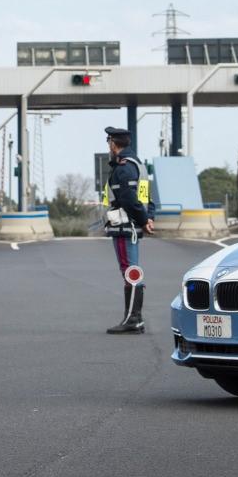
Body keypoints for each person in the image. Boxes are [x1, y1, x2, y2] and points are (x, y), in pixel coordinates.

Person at [102, 125, 155, 334]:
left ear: (113, 144)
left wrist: (143, 220)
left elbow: (128, 197)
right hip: (133, 223)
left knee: (130, 271)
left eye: (109, 143)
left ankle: (134, 320)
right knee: (131, 270)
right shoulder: (138, 164)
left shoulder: (124, 167)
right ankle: (134, 318)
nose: (108, 146)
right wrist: (149, 217)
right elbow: (147, 195)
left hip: (125, 225)